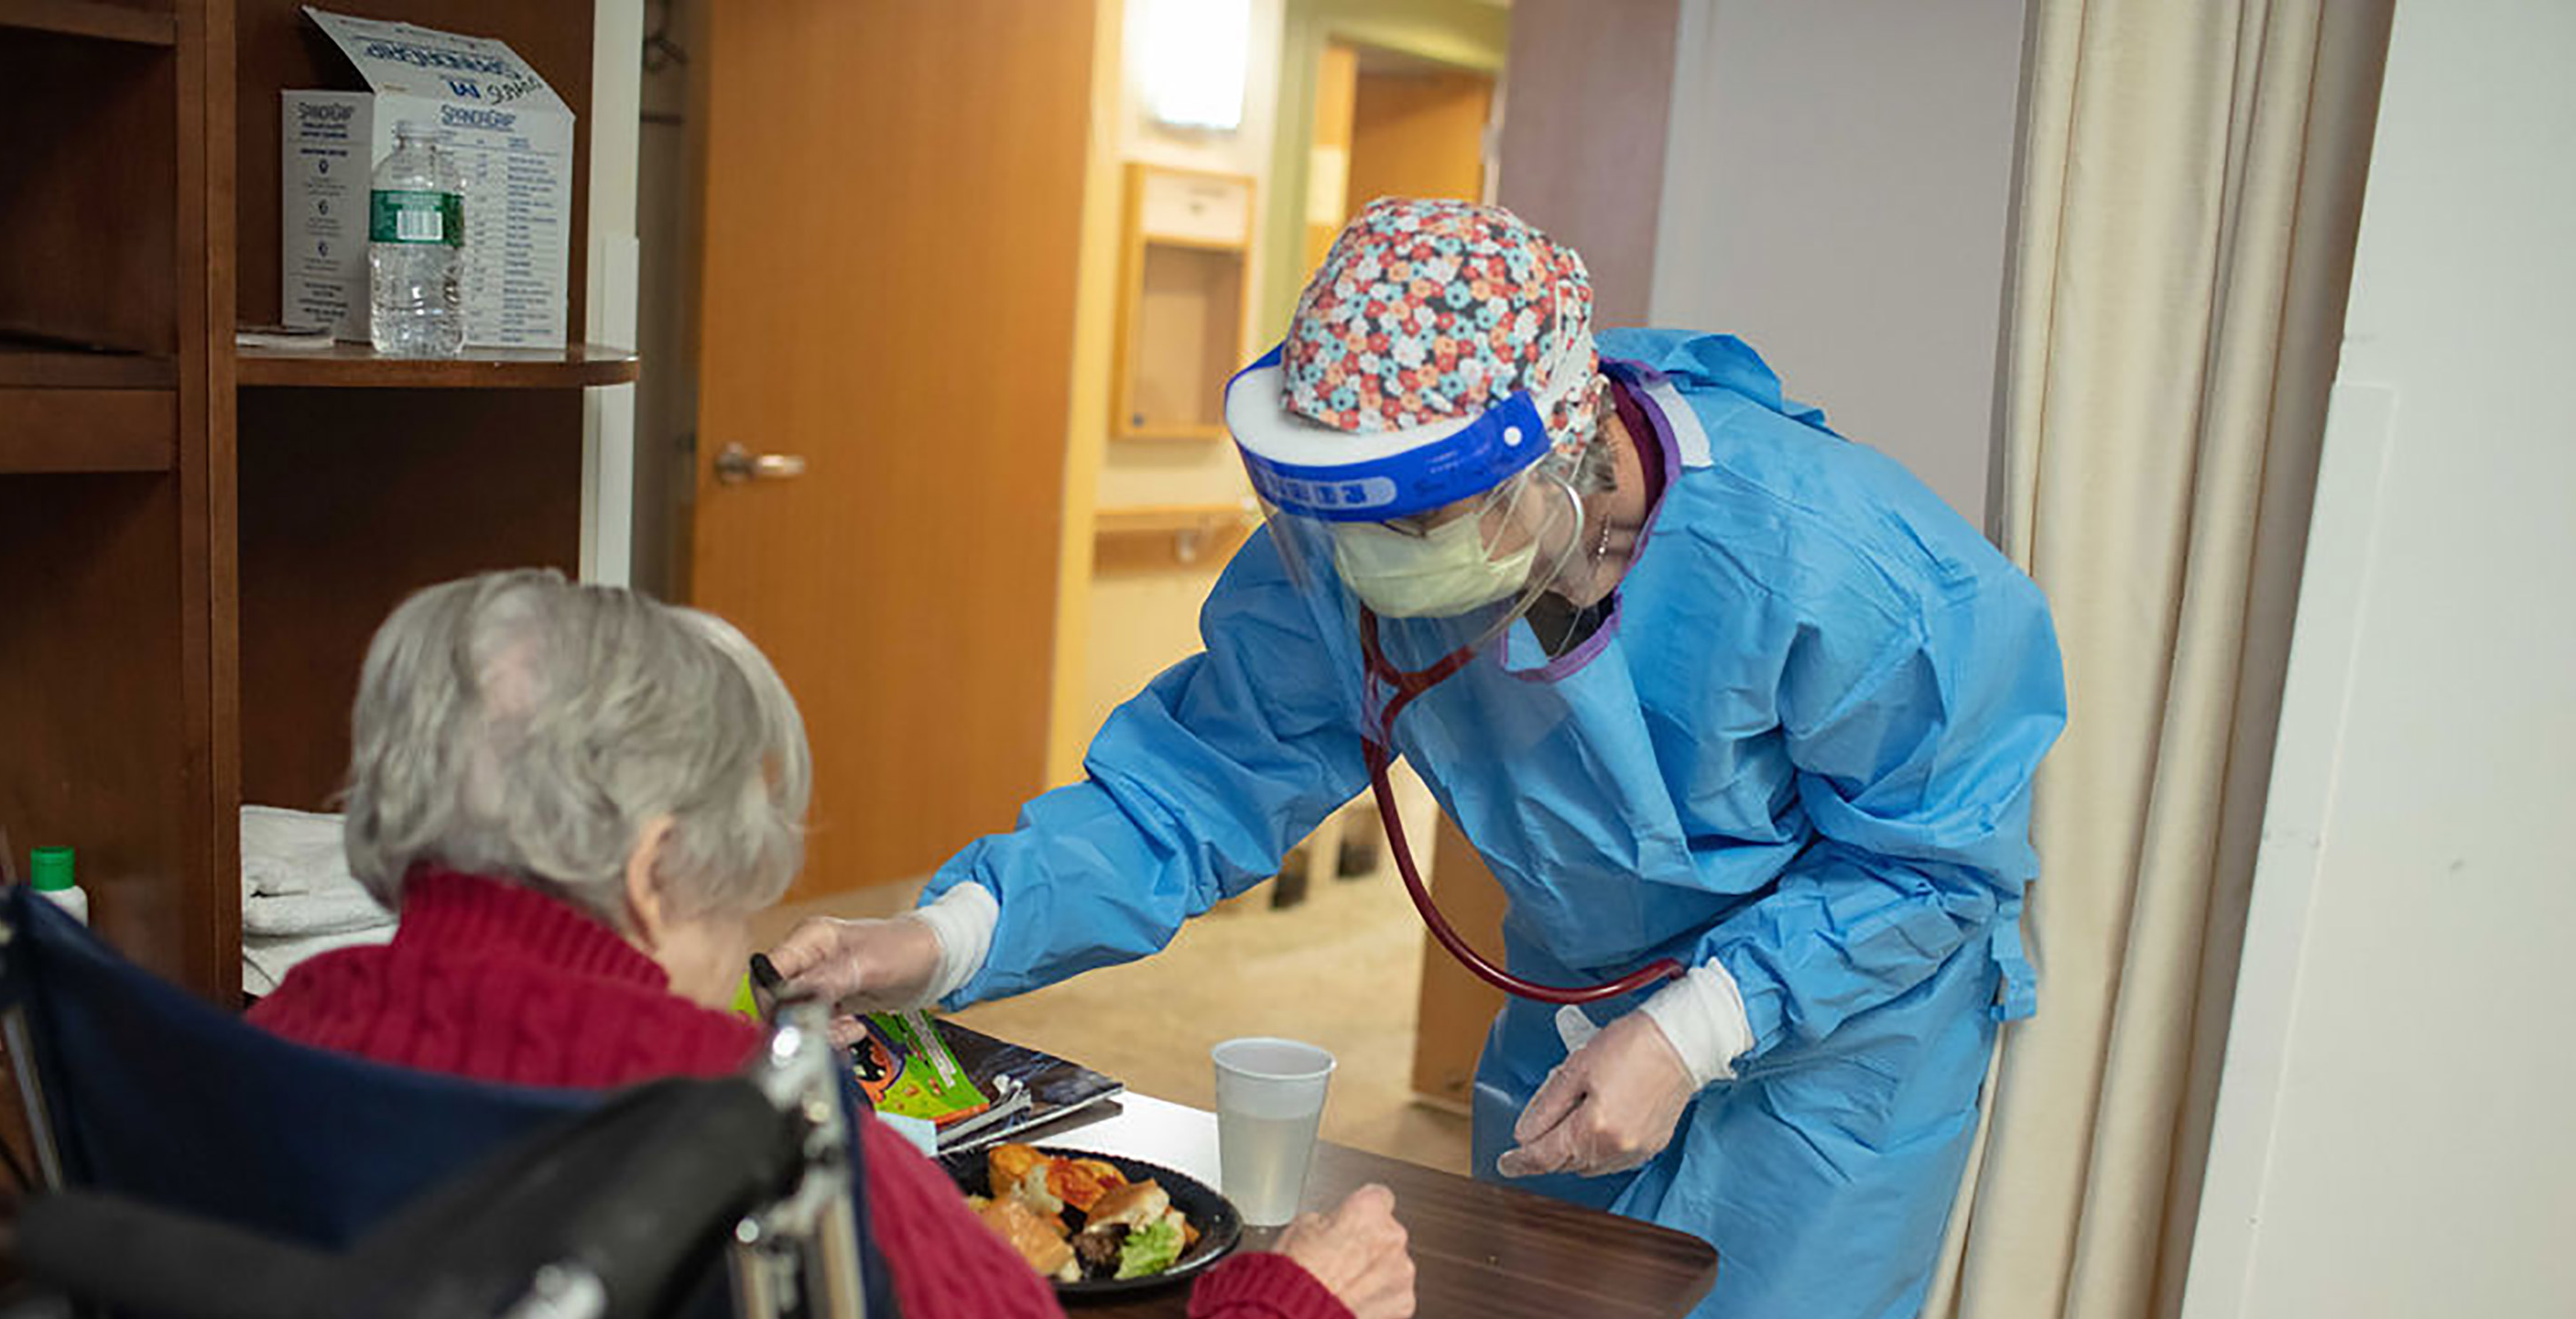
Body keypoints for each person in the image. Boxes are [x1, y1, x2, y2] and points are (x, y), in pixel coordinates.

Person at [773, 199, 2068, 1319]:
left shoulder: (1846, 565)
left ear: (1563, 451)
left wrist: (1697, 1029)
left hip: (1837, 1047)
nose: (1374, 564)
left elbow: (1932, 866)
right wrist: (942, 937)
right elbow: (1192, 784)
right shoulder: (1352, 560)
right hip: (1582, 998)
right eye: (1351, 521)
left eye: (1417, 521)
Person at [249, 570, 1416, 1319]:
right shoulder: (772, 1144)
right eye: (734, 889)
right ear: (656, 876)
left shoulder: (282, 1034)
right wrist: (1291, 1298)